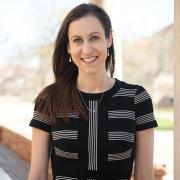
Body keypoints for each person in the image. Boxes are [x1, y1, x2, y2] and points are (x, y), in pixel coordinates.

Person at [28, 3, 158, 180]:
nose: (87, 49)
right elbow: (37, 175)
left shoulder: (137, 99)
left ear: (109, 39)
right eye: (77, 40)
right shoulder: (49, 100)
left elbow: (145, 177)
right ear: (68, 47)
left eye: (94, 37)